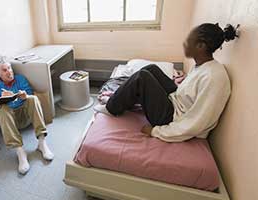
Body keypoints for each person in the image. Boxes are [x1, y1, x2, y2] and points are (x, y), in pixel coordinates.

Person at [94, 23, 239, 142]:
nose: (185, 43)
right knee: (152, 69)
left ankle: (112, 107)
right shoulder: (203, 66)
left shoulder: (214, 78)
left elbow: (197, 122)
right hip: (176, 101)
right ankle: (122, 98)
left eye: (190, 40)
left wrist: (156, 131)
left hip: (171, 118)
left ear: (201, 46)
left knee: (142, 77)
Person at [0, 55, 54, 174]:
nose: (9, 72)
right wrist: (0, 103)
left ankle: (42, 143)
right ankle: (20, 152)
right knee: (2, 110)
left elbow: (29, 95)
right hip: (10, 122)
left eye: (10, 68)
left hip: (25, 116)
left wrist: (24, 96)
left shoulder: (20, 79)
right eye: (5, 70)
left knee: (33, 98)